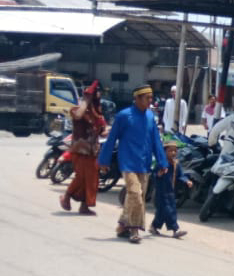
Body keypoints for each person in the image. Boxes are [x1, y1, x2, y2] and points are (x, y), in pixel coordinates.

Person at [98, 85, 168, 244]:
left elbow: (156, 141)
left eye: (151, 98)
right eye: (147, 98)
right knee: (136, 194)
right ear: (136, 98)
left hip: (144, 163)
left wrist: (162, 162)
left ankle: (123, 226)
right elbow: (111, 138)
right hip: (128, 162)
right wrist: (104, 160)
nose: (150, 101)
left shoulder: (150, 117)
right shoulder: (124, 116)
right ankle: (134, 229)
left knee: (135, 196)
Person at [60, 80, 107, 215]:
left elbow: (102, 130)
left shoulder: (98, 112)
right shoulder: (78, 110)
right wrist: (86, 99)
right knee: (81, 177)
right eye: (96, 92)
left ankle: (84, 206)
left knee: (92, 180)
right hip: (80, 150)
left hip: (92, 151)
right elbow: (78, 115)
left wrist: (110, 131)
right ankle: (67, 196)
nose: (98, 95)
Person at [150, 138, 192, 238]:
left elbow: (181, 175)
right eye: (170, 151)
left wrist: (187, 181)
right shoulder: (161, 164)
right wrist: (159, 174)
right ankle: (175, 229)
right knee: (169, 210)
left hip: (171, 192)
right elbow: (153, 176)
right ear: (164, 152)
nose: (173, 153)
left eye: (175, 151)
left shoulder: (176, 164)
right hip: (161, 192)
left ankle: (154, 226)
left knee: (162, 212)